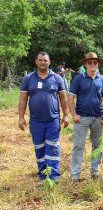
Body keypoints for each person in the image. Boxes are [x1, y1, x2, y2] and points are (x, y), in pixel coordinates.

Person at [18, 52, 69, 182]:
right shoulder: (28, 78)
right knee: (39, 148)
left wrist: (66, 115)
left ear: (49, 62)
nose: (43, 62)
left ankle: (53, 177)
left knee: (53, 147)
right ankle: (42, 175)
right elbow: (23, 99)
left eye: (45, 60)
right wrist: (21, 117)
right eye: (40, 60)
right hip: (35, 121)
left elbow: (63, 98)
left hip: (53, 120)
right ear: (36, 61)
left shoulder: (57, 78)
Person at [68, 52, 103, 182]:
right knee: (78, 146)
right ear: (85, 64)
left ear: (98, 64)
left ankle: (95, 172)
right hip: (82, 118)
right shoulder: (78, 79)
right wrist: (74, 114)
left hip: (98, 117)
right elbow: (70, 97)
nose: (92, 64)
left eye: (95, 62)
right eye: (89, 62)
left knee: (97, 146)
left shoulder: (102, 80)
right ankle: (75, 176)